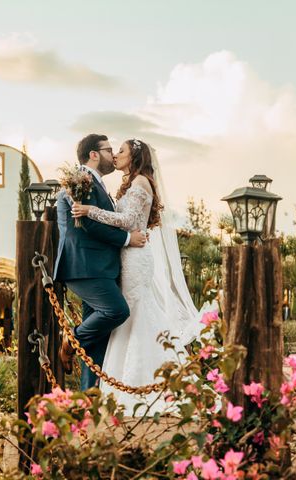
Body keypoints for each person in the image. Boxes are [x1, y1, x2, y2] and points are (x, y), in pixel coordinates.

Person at [71, 138, 208, 414]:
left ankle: (144, 384)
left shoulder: (141, 183)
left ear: (134, 157)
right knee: (131, 316)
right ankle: (123, 383)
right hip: (128, 255)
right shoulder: (131, 184)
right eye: (114, 150)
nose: (116, 155)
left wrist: (89, 210)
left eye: (121, 151)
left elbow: (127, 221)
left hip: (135, 257)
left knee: (137, 312)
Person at [53, 133, 147, 391]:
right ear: (94, 154)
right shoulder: (79, 182)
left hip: (97, 267)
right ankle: (71, 341)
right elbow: (88, 225)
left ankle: (89, 394)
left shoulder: (95, 183)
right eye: (108, 150)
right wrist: (128, 238)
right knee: (116, 311)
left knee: (97, 337)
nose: (113, 155)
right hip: (85, 266)